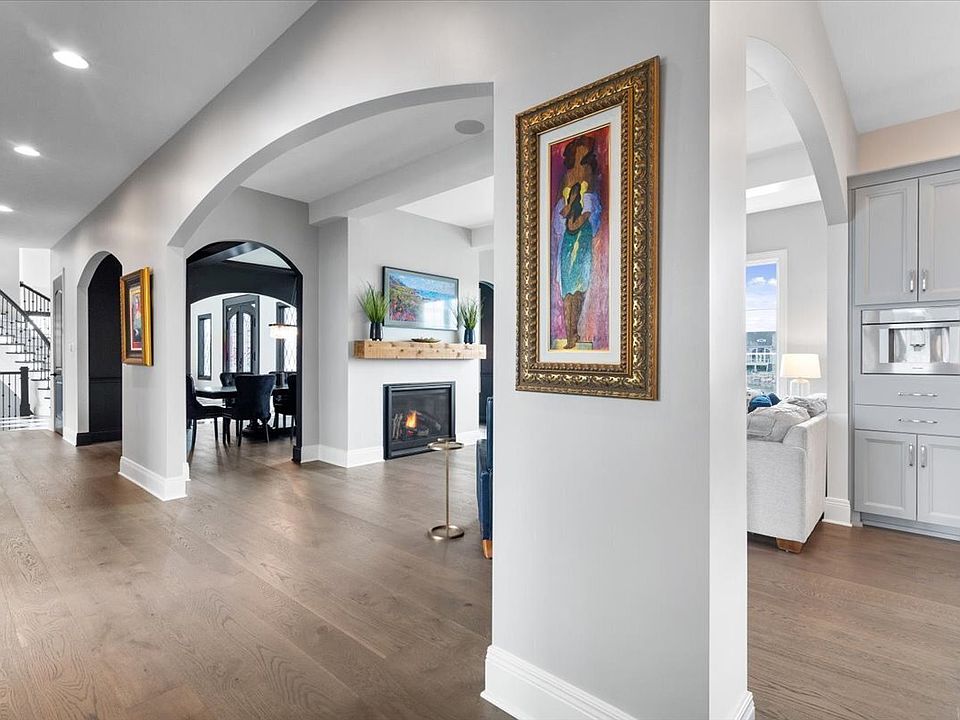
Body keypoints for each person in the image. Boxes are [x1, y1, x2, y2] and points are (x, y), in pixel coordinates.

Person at [554, 135, 602, 349]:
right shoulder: (566, 177)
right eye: (579, 148)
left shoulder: (588, 173)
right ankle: (569, 333)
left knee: (579, 281)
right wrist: (565, 217)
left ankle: (575, 332)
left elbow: (592, 206)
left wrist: (580, 220)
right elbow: (560, 208)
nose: (582, 152)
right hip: (568, 233)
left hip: (582, 233)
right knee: (566, 284)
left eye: (585, 149)